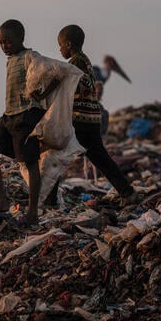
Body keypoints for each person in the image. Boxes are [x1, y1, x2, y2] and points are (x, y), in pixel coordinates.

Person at [58, 24, 134, 204]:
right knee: (101, 158)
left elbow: (68, 90)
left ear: (68, 44)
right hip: (92, 119)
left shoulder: (75, 62)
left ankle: (49, 200)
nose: (59, 49)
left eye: (60, 45)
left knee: (55, 155)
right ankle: (128, 192)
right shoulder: (87, 62)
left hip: (80, 120)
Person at [0, 19, 47, 226]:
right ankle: (1, 201)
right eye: (1, 42)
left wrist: (42, 92)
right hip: (9, 116)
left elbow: (48, 74)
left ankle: (32, 212)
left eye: (8, 42)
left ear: (21, 39)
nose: (4, 46)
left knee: (29, 162)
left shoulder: (30, 57)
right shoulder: (10, 59)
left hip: (26, 116)